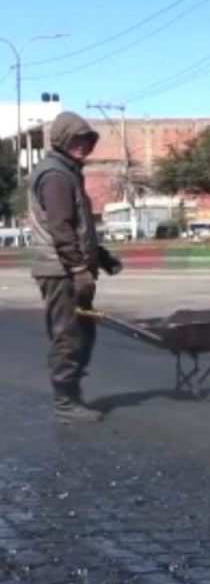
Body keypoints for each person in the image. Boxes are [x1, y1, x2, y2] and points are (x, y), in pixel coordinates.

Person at [27, 111, 123, 423]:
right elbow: (61, 227)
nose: (83, 145)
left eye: (87, 139)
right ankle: (65, 404)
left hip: (69, 265)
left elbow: (79, 227)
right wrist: (79, 269)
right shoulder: (55, 175)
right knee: (68, 335)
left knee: (82, 333)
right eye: (76, 139)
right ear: (61, 139)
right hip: (61, 270)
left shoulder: (67, 171)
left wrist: (102, 256)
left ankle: (71, 395)